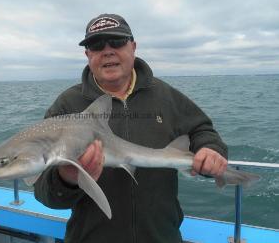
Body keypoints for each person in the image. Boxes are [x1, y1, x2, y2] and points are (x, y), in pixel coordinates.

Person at [34, 13, 228, 243]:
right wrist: (66, 179)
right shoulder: (67, 105)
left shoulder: (166, 96)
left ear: (133, 47)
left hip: (161, 237)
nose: (107, 50)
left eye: (116, 41)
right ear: (88, 55)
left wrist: (210, 148)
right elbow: (45, 193)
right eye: (96, 45)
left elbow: (202, 129)